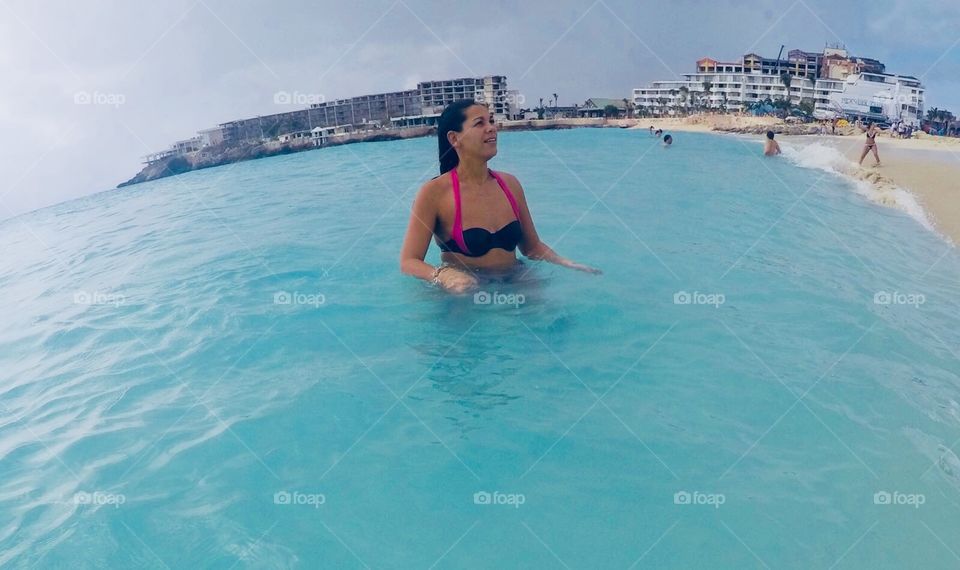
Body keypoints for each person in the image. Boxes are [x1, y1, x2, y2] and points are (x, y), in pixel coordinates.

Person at [400, 100, 601, 294]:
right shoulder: (434, 193)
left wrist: (568, 264)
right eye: (479, 123)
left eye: (491, 121)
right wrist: (443, 275)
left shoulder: (510, 185)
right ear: (454, 138)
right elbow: (409, 262)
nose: (491, 128)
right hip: (465, 293)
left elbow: (532, 248)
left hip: (517, 281)